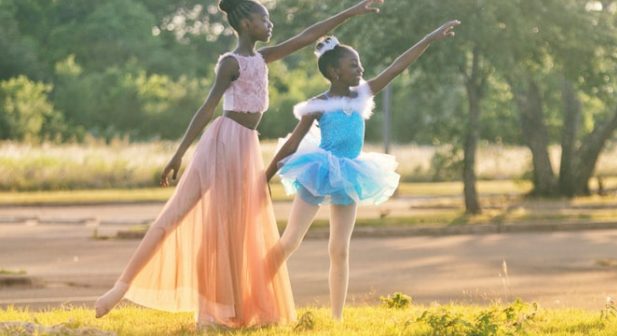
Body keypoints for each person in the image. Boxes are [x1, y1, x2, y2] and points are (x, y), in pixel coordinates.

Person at [94, 0, 385, 328]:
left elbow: (307, 36)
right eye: (265, 18)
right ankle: (121, 289)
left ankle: (229, 307)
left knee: (237, 229)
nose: (270, 24)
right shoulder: (230, 63)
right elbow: (207, 109)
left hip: (247, 145)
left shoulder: (263, 58)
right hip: (223, 141)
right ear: (246, 24)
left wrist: (350, 12)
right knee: (182, 214)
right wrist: (178, 155)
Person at [265, 20, 461, 320]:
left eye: (360, 64)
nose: (360, 69)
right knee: (290, 240)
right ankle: (253, 289)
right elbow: (293, 141)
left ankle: (337, 317)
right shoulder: (318, 105)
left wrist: (430, 38)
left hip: (350, 174)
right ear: (334, 72)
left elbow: (396, 67)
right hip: (319, 171)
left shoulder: (361, 95)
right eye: (353, 65)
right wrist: (263, 177)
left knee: (339, 250)